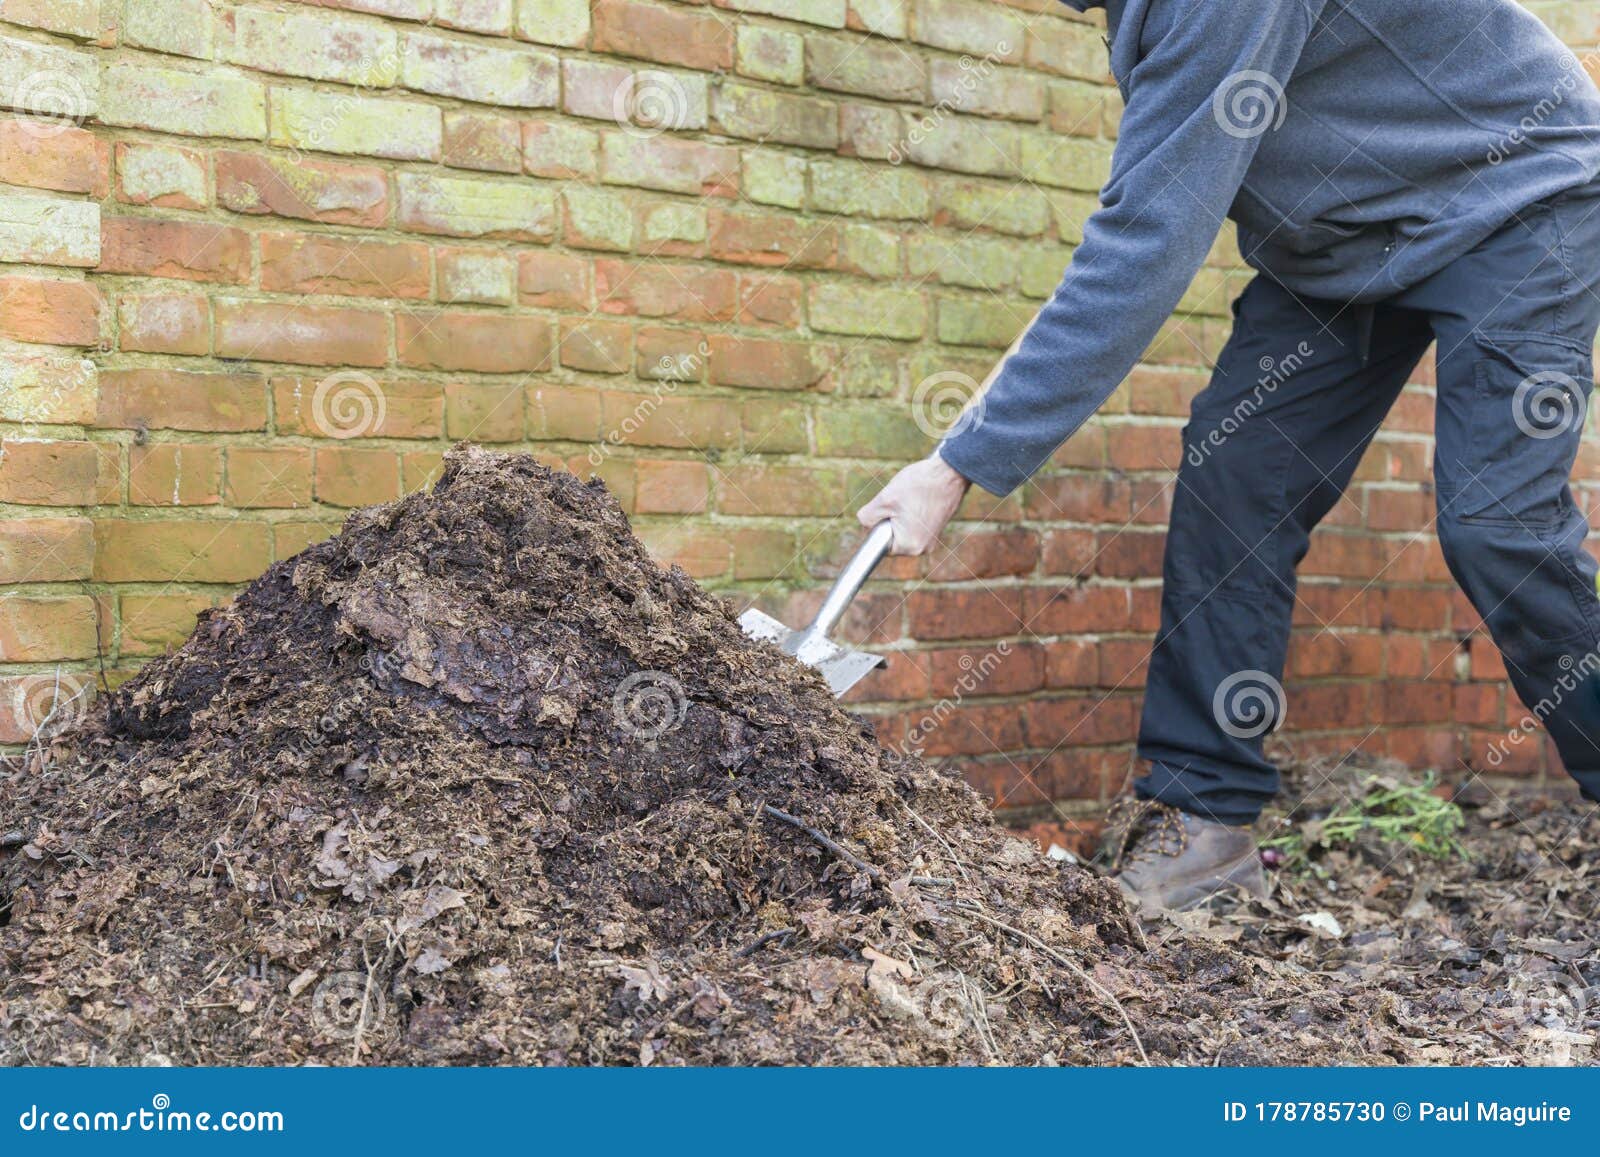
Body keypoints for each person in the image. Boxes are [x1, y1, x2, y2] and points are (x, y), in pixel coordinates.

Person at [858, 0, 1600, 912]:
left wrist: (956, 464)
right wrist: (962, 448)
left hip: (1516, 194)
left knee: (1497, 523)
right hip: (1345, 237)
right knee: (1234, 477)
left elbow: (1145, 242)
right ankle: (1199, 821)